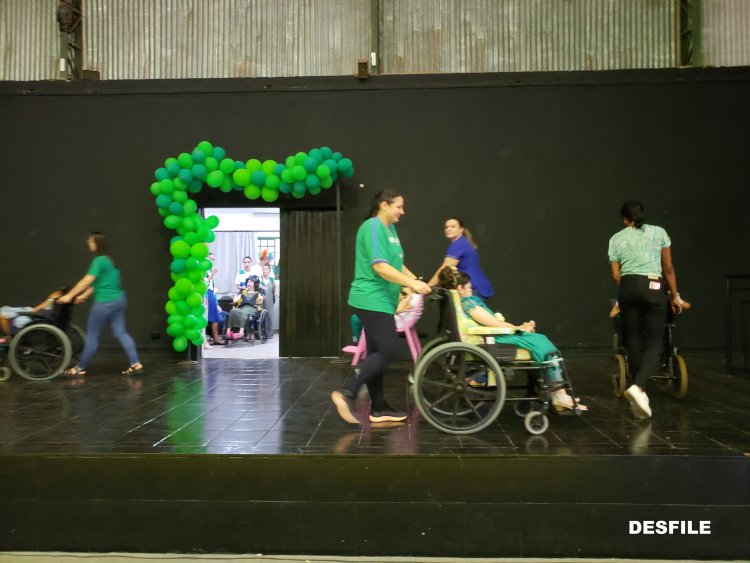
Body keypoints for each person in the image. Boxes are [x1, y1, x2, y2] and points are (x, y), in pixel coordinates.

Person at [331, 189, 432, 425]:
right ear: (384, 205)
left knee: (377, 351)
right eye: (399, 206)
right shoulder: (373, 227)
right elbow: (380, 267)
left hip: (383, 301)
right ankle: (348, 394)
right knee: (389, 350)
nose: (402, 211)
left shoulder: (390, 230)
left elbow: (396, 263)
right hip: (370, 297)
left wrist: (415, 281)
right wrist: (411, 284)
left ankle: (378, 408)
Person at [438, 266, 587, 411]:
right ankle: (559, 394)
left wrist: (519, 327)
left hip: (491, 336)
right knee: (543, 344)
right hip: (494, 339)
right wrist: (518, 328)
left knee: (539, 339)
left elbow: (494, 323)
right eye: (469, 288)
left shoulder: (462, 302)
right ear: (460, 289)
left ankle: (555, 393)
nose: (471, 290)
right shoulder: (468, 303)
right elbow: (494, 323)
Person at [608, 200, 682, 419]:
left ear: (624, 219)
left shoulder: (616, 238)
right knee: (655, 341)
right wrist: (675, 296)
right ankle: (639, 387)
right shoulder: (659, 233)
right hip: (653, 286)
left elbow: (615, 275)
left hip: (628, 287)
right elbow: (668, 268)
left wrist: (629, 292)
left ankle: (641, 391)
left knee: (634, 339)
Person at [58, 232, 143, 377]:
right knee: (120, 332)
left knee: (92, 336)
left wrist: (69, 296)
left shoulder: (98, 261)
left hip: (105, 302)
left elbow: (87, 281)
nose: (88, 243)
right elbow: (100, 282)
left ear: (97, 243)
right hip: (119, 300)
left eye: (90, 241)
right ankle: (135, 363)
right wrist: (84, 295)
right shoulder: (109, 261)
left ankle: (79, 368)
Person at [428, 217, 494, 302]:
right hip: (476, 288)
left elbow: (445, 269)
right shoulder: (462, 243)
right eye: (446, 227)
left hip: (473, 288)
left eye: (453, 226)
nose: (449, 229)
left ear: (461, 229)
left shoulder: (458, 245)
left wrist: (428, 287)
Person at [0, 288, 68, 341]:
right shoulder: (55, 307)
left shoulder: (51, 303)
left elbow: (35, 310)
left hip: (30, 316)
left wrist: (50, 298)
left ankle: (9, 338)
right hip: (32, 314)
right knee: (4, 309)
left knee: (2, 315)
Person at [226, 275, 263, 340]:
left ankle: (241, 332)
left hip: (252, 308)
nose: (249, 283)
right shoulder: (243, 292)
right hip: (242, 307)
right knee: (232, 311)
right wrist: (235, 296)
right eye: (248, 282)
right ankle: (228, 332)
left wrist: (260, 299)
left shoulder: (258, 293)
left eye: (251, 282)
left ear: (255, 284)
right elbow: (235, 301)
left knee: (243, 313)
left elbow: (260, 303)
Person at [204, 252, 225, 347]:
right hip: (206, 294)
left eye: (213, 259)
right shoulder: (204, 270)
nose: (212, 261)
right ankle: (206, 341)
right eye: (210, 259)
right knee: (206, 318)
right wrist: (213, 273)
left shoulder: (209, 270)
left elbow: (212, 288)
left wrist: (216, 303)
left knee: (215, 318)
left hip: (211, 294)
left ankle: (216, 338)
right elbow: (205, 283)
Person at [259, 263, 277, 337]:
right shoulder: (260, 279)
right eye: (263, 269)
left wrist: (276, 292)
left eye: (266, 269)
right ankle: (263, 333)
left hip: (270, 299)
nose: (264, 270)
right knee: (263, 316)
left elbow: (275, 288)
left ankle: (270, 333)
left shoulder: (272, 279)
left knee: (270, 315)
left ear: (269, 270)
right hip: (262, 300)